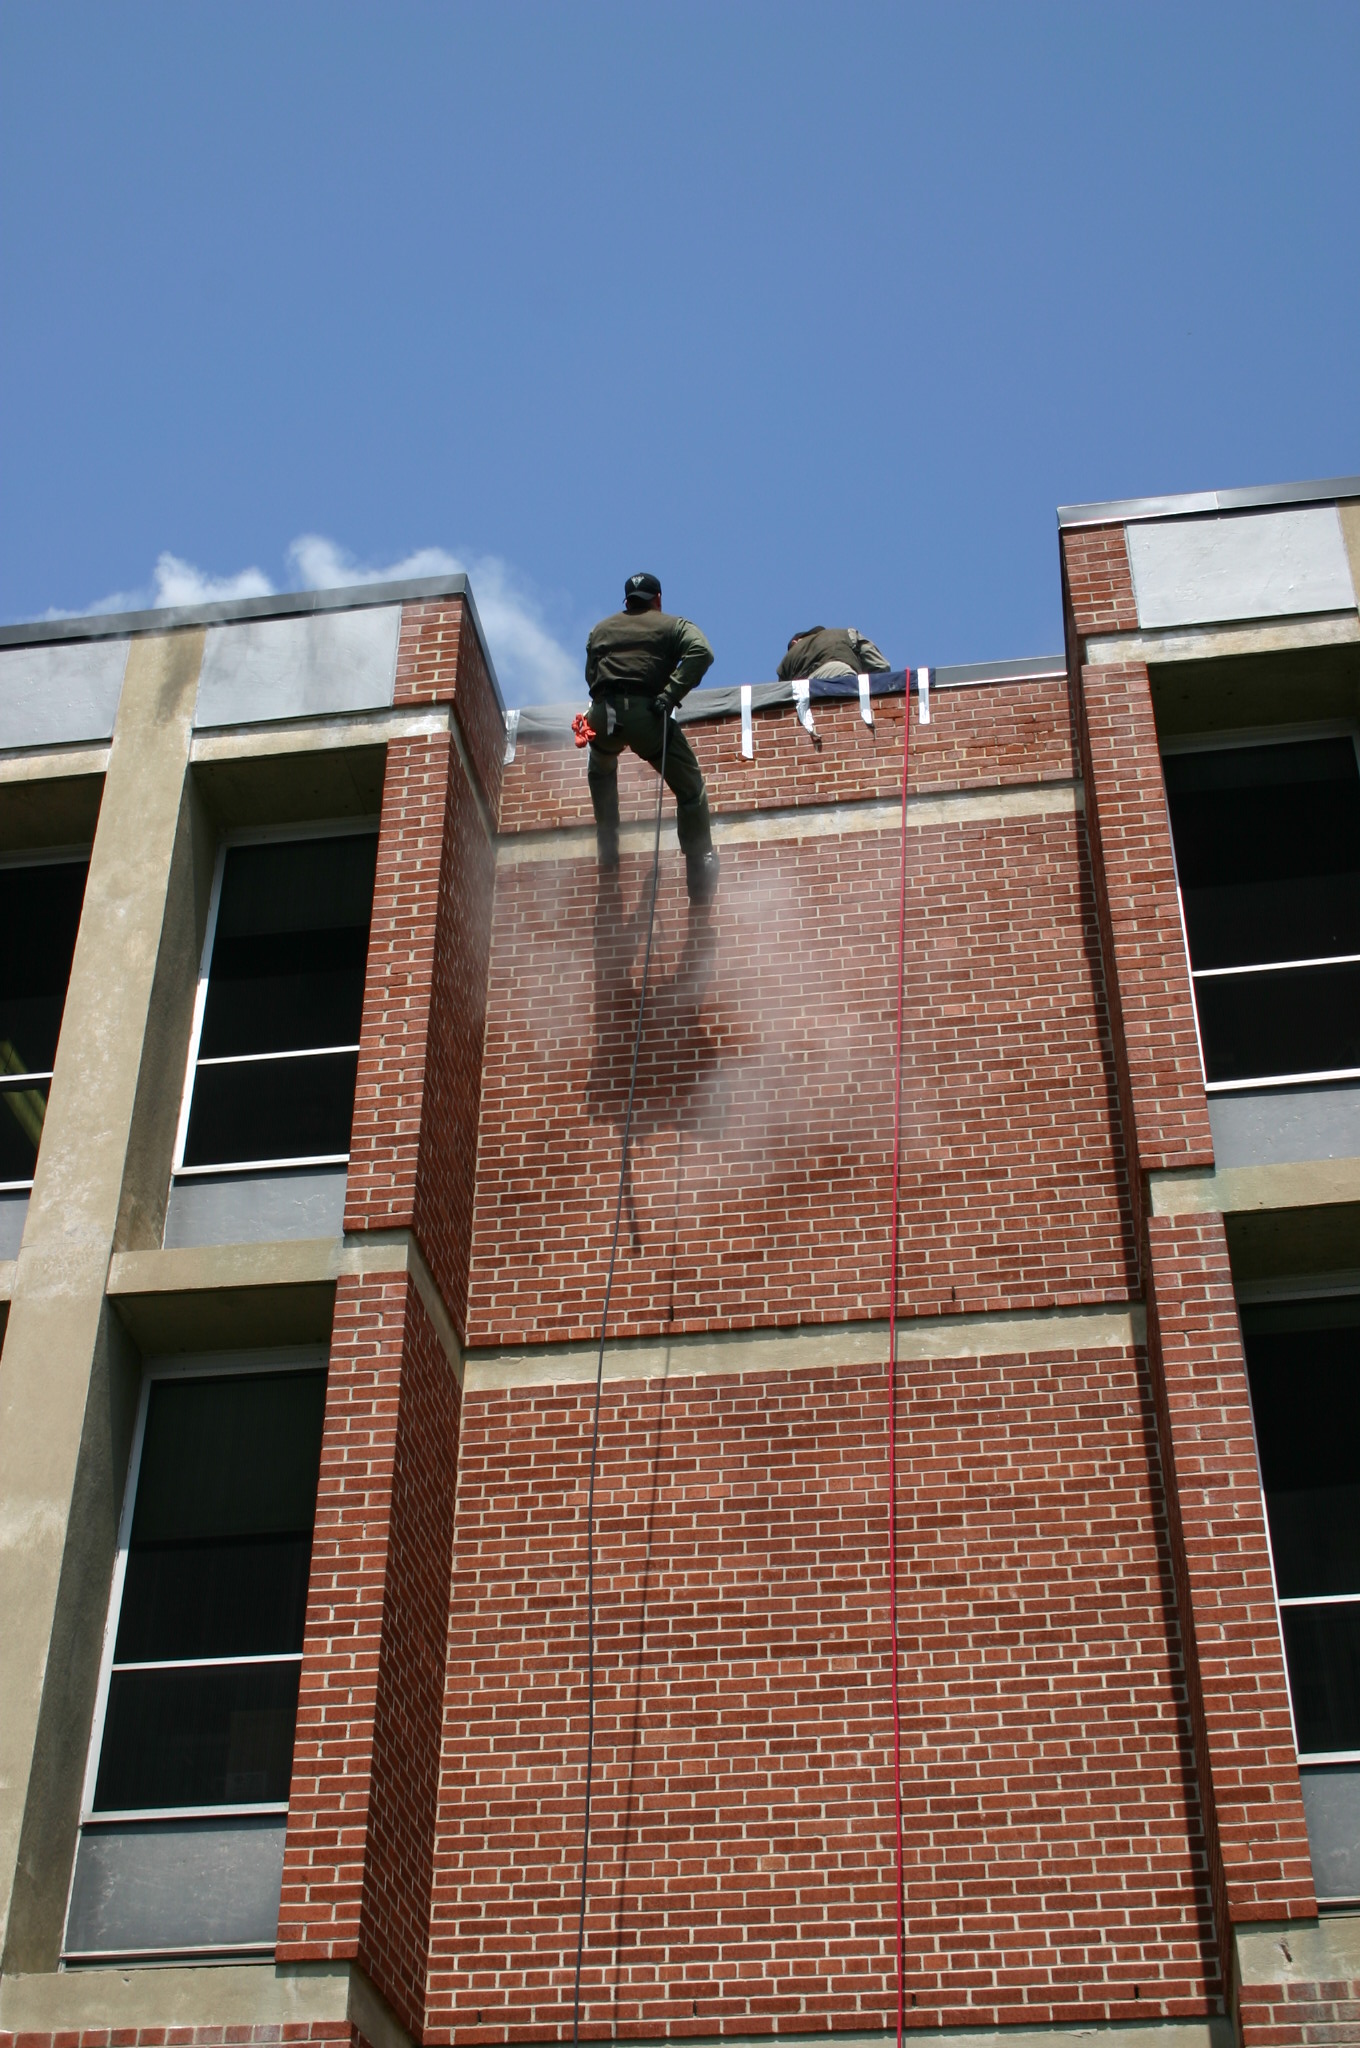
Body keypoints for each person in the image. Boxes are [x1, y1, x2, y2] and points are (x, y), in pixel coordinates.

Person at [584, 572, 720, 904]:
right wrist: (671, 693)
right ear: (657, 598)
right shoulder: (673, 625)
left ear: (627, 601)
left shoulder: (600, 629)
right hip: (645, 715)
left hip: (602, 716)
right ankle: (699, 868)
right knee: (690, 789)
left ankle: (607, 847)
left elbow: (591, 675)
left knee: (601, 769)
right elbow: (702, 652)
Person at [777, 625, 891, 683]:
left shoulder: (788, 658)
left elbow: (781, 695)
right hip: (843, 674)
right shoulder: (843, 633)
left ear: (795, 642)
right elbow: (881, 665)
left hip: (808, 692)